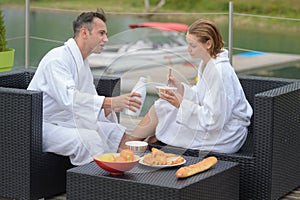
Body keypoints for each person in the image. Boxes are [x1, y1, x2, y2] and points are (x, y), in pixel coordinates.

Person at [27, 10, 142, 166]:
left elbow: (89, 105)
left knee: (114, 132)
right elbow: (70, 99)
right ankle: (95, 184)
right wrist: (110, 102)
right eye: (101, 33)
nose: (106, 39)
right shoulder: (57, 59)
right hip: (43, 126)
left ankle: (130, 173)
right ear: (84, 33)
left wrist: (116, 106)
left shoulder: (82, 63)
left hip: (68, 121)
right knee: (90, 140)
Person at [130, 19, 253, 154]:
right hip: (214, 127)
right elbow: (201, 96)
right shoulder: (207, 64)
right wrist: (179, 87)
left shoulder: (220, 72)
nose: (188, 49)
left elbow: (214, 120)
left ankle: (131, 147)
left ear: (208, 44)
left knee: (159, 131)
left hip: (225, 135)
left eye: (192, 45)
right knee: (163, 105)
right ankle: (133, 145)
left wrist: (180, 103)